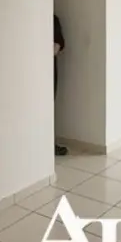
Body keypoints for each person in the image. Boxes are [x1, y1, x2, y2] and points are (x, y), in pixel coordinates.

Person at [54, 14, 67, 156]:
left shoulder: (53, 20)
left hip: (48, 72)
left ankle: (49, 144)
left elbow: (57, 45)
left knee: (48, 107)